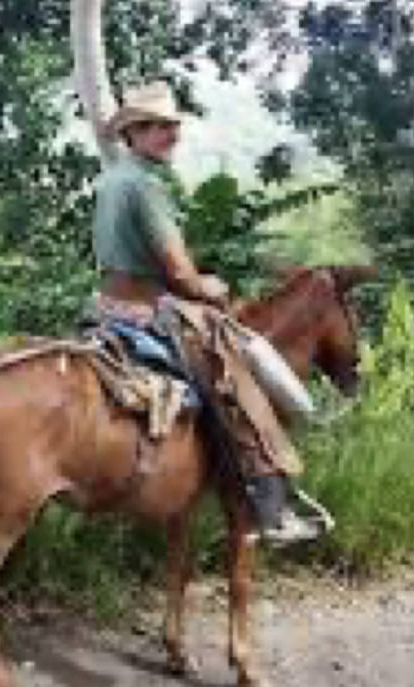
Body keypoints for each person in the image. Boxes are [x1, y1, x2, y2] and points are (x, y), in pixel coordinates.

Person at [92, 81, 320, 545]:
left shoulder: (112, 179)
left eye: (171, 125)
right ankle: (269, 504)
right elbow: (179, 270)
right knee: (238, 378)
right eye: (155, 126)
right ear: (132, 134)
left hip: (105, 306)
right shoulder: (148, 185)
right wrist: (208, 288)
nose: (169, 133)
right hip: (149, 310)